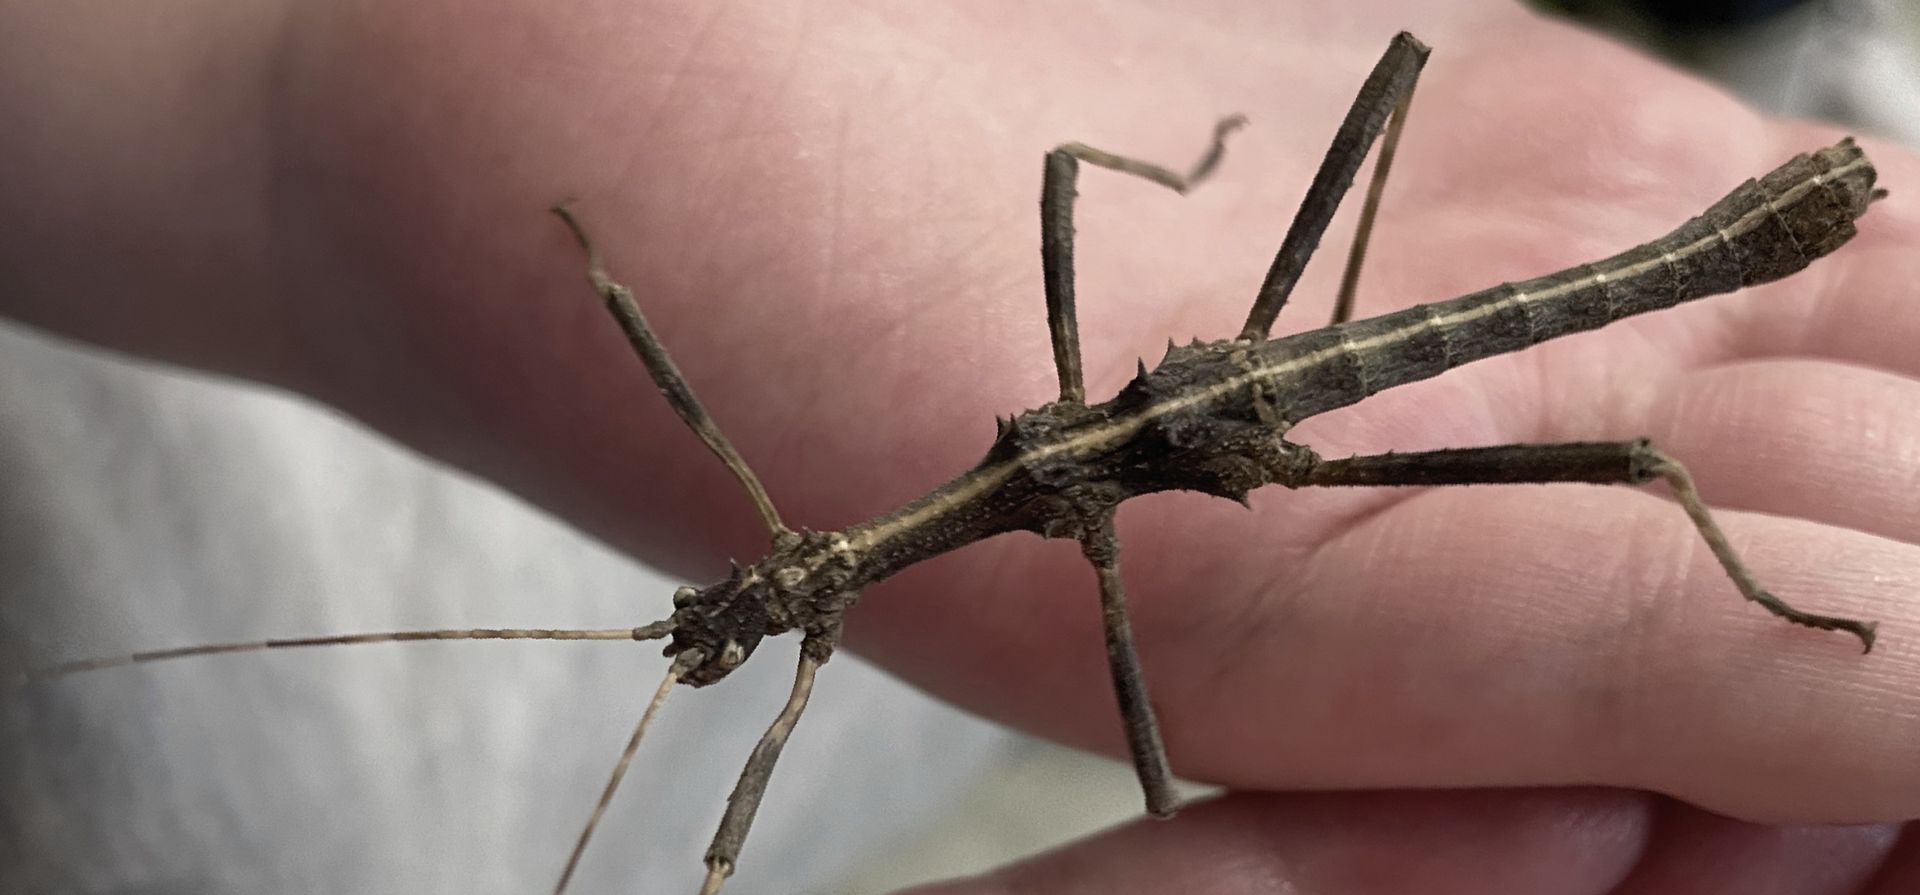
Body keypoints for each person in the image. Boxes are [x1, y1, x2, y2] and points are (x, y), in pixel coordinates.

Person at [3, 1, 1916, 892]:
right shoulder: (909, 543)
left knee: (1641, 460)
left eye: (763, 602)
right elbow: (1048, 173)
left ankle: (1853, 86)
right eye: (761, 608)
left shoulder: (960, 556)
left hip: (1512, 306)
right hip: (1239, 391)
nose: (757, 607)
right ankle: (1857, 82)